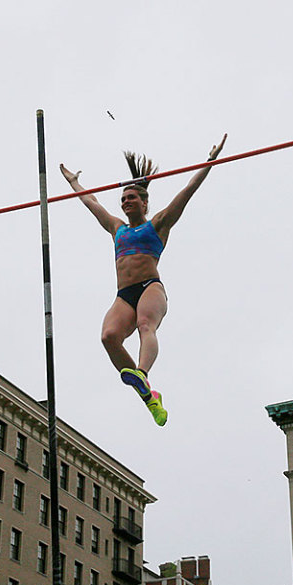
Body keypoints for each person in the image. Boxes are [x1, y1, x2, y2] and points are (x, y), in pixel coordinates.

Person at [60, 134, 227, 426]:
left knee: (145, 325)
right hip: (124, 294)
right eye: (123, 199)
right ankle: (149, 396)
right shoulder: (117, 228)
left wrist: (209, 162)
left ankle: (142, 372)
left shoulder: (158, 224)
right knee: (109, 337)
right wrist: (74, 183)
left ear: (144, 202)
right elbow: (91, 202)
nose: (126, 202)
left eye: (131, 198)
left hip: (150, 287)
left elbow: (188, 190)